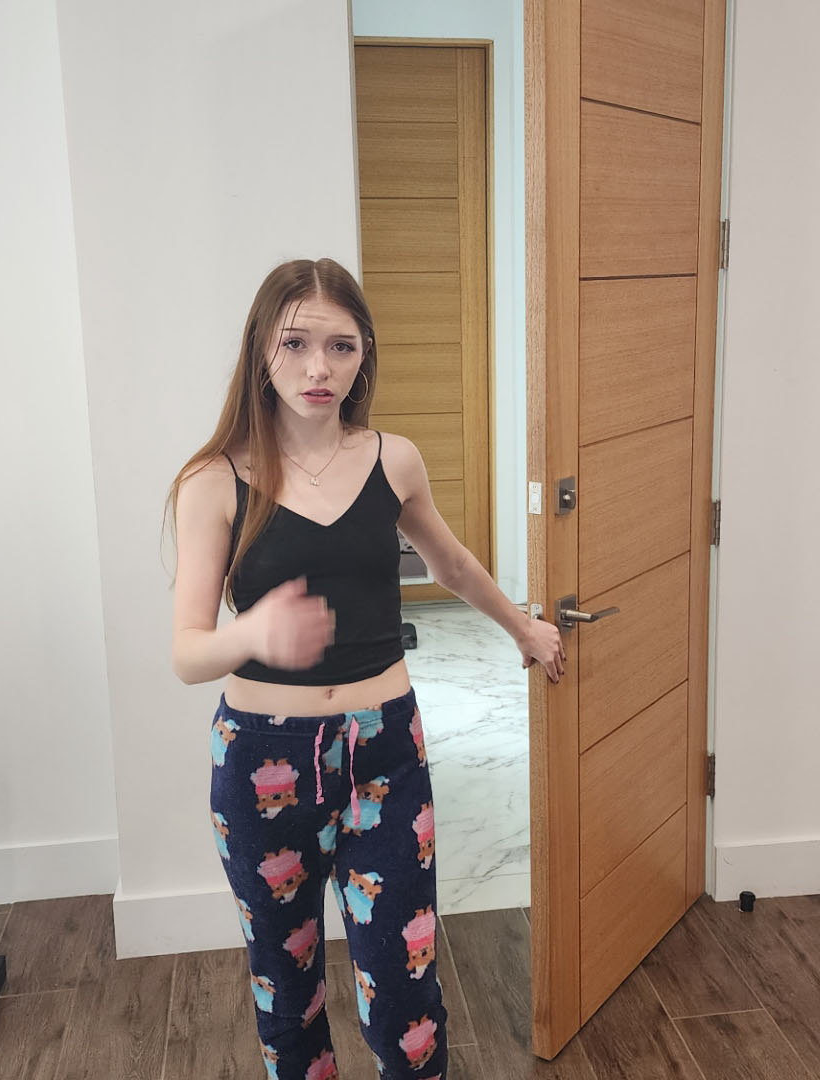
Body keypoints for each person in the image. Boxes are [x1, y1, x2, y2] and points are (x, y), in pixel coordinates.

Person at [168, 257, 564, 1080]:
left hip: (385, 751)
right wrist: (255, 633)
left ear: (364, 354)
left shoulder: (394, 460)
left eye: (341, 346)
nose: (319, 367)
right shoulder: (213, 480)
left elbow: (451, 566)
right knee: (287, 989)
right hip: (259, 757)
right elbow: (187, 652)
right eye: (296, 343)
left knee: (405, 987)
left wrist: (522, 627)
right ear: (261, 349)